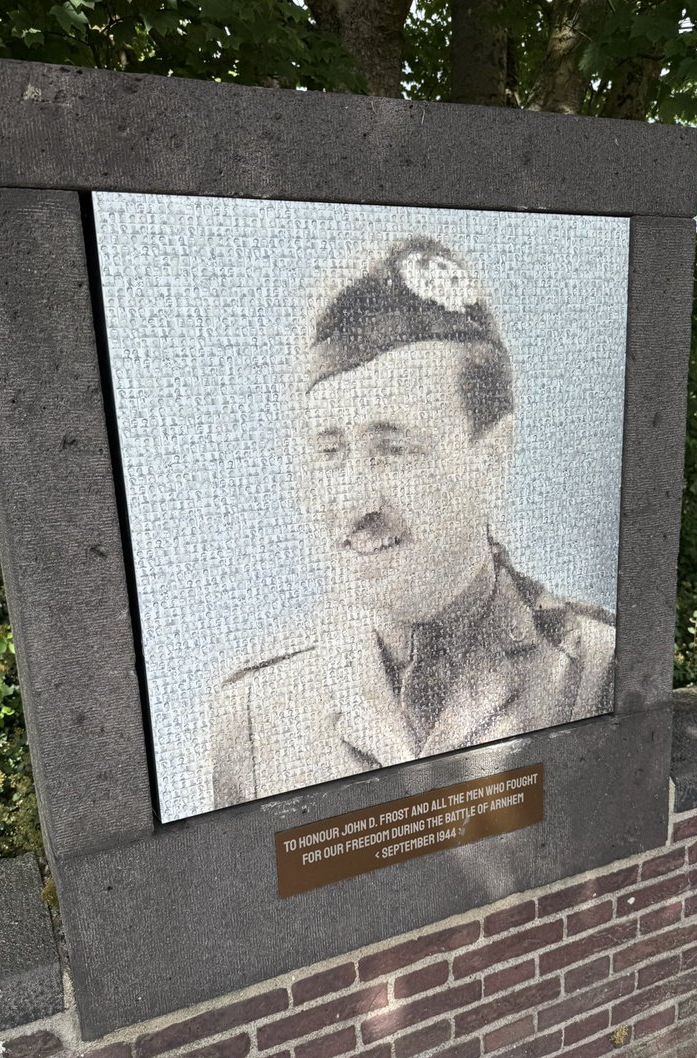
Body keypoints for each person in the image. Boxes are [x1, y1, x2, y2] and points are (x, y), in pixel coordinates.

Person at [208, 238, 615, 808]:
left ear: (491, 456)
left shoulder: (596, 668)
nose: (355, 502)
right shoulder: (256, 708)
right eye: (330, 451)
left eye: (393, 449)